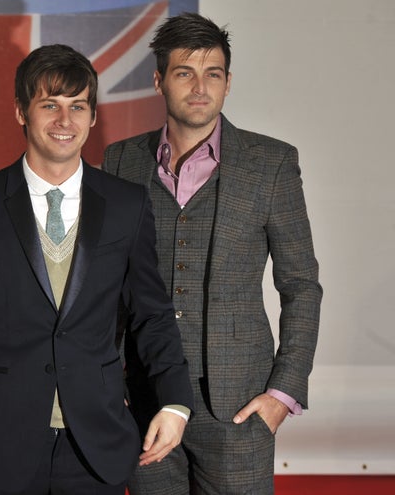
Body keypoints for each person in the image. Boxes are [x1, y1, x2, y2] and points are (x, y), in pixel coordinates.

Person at [0, 44, 194, 495]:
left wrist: (175, 402)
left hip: (97, 443)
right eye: (49, 105)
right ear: (20, 112)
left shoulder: (127, 205)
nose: (64, 121)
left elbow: (153, 315)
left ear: (92, 115)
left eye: (77, 106)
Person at [102, 12, 323, 495]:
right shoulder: (121, 160)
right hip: (143, 395)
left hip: (240, 406)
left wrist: (282, 395)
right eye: (184, 73)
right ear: (159, 80)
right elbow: (104, 285)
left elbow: (301, 286)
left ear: (228, 83)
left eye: (213, 74)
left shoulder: (272, 163)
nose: (200, 87)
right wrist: (106, 384)